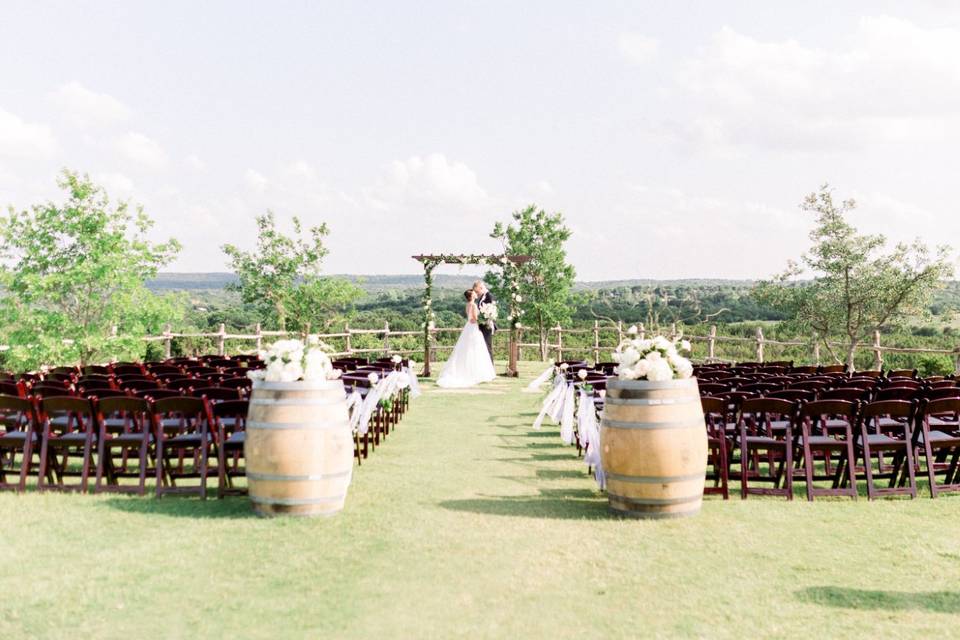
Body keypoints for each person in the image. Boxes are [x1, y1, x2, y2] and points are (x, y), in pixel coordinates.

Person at [435, 289, 497, 388]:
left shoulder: (468, 305)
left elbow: (470, 318)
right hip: (473, 327)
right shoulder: (473, 305)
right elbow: (474, 319)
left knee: (468, 348)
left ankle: (471, 371)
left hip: (468, 326)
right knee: (474, 349)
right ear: (471, 296)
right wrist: (485, 318)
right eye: (474, 293)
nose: (476, 294)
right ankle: (476, 373)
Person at [473, 280, 495, 364]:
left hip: (487, 325)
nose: (477, 293)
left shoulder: (489, 296)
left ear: (481, 287)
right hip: (481, 325)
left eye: (477, 291)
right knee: (482, 347)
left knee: (487, 346)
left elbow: (491, 310)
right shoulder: (482, 296)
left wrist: (484, 317)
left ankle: (491, 368)